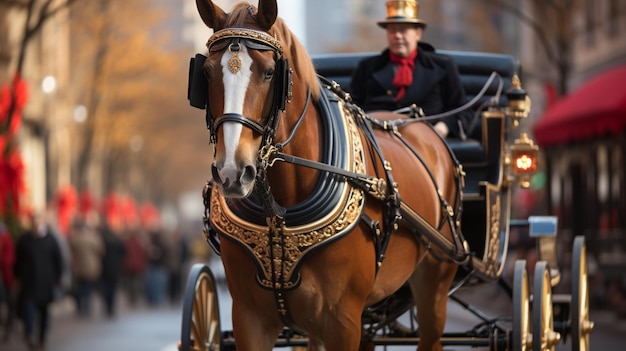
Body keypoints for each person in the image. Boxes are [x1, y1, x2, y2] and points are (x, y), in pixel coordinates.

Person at [350, 0, 472, 139]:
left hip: (427, 142)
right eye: (392, 30)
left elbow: (462, 111)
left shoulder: (442, 66)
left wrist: (443, 127)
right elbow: (353, 107)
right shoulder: (367, 68)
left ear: (418, 34)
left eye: (403, 30)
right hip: (376, 140)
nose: (397, 36)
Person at [14, 212, 63, 351]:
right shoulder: (25, 239)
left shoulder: (50, 239)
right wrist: (17, 275)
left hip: (45, 283)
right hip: (29, 282)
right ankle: (29, 334)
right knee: (28, 310)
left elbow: (58, 259)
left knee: (44, 313)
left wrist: (58, 277)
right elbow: (18, 259)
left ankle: (42, 339)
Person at [67, 216, 104, 317]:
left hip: (78, 268)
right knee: (88, 288)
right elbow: (100, 250)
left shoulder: (75, 238)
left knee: (79, 288)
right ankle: (87, 306)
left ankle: (80, 306)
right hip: (91, 267)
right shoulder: (93, 237)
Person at [0, 221, 16, 341]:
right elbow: (8, 261)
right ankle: (7, 329)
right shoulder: (6, 240)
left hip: (5, 278)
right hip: (6, 279)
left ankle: (6, 330)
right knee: (8, 305)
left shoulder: (5, 240)